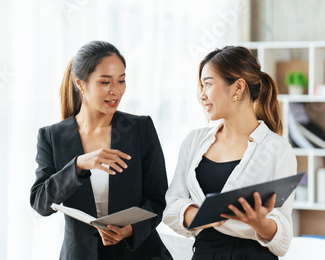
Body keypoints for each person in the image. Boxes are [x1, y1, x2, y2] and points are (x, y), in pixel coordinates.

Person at [30, 41, 172, 260]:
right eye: (105, 82)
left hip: (140, 253)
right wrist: (78, 165)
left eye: (121, 81)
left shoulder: (140, 129)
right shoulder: (52, 137)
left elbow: (157, 199)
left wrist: (130, 230)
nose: (115, 90)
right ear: (80, 83)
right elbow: (41, 203)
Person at [163, 46, 297, 259]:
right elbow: (170, 209)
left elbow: (283, 242)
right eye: (201, 85)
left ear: (238, 87)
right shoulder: (194, 141)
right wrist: (205, 216)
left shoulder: (276, 149)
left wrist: (260, 224)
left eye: (207, 84)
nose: (202, 95)